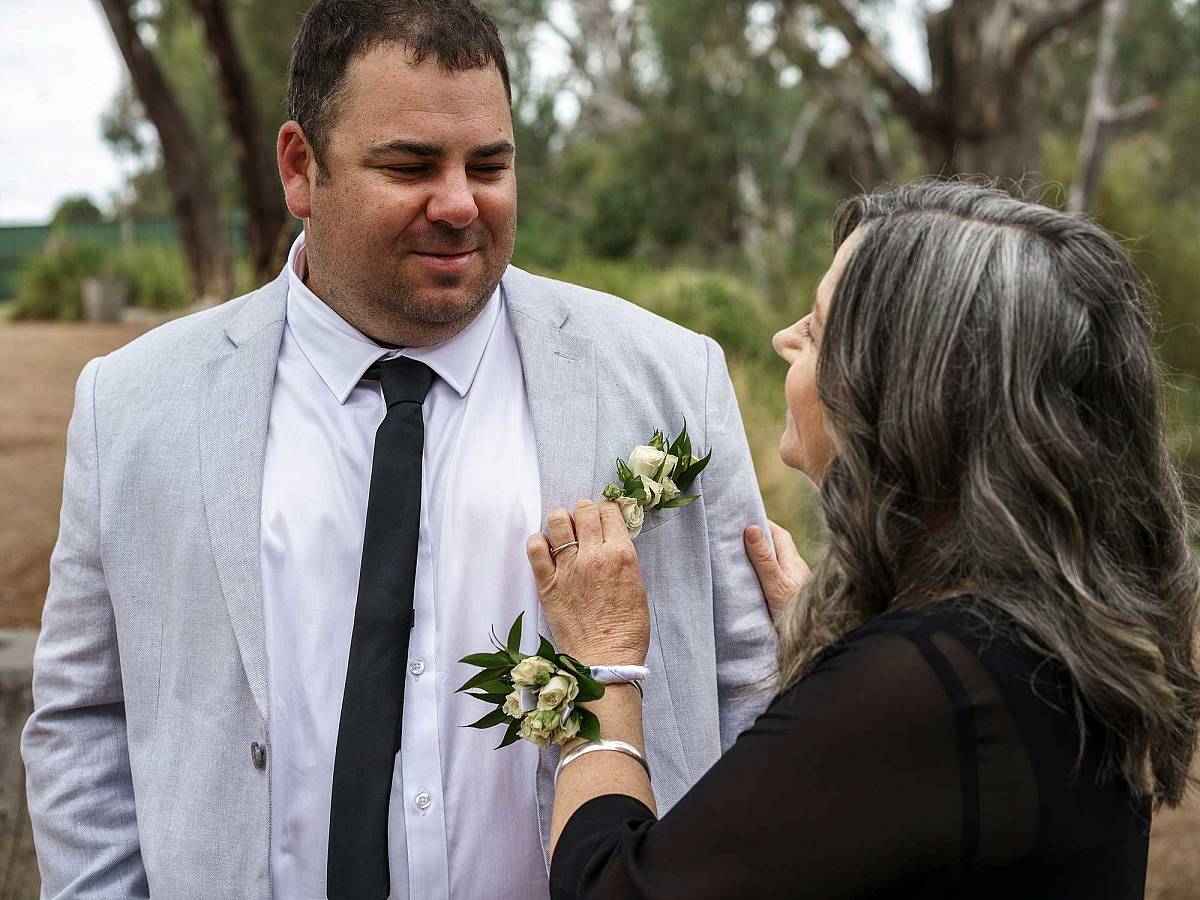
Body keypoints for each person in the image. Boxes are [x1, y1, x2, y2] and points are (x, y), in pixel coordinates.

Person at [20, 2, 776, 897]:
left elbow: (749, 696)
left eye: (489, 165)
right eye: (411, 165)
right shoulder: (135, 407)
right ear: (302, 169)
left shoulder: (667, 380)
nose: (460, 204)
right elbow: (83, 720)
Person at [533, 181, 1200, 899]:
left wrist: (601, 671)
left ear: (904, 397)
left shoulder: (931, 687)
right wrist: (843, 654)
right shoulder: (1053, 630)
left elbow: (614, 889)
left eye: (817, 331)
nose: (783, 339)